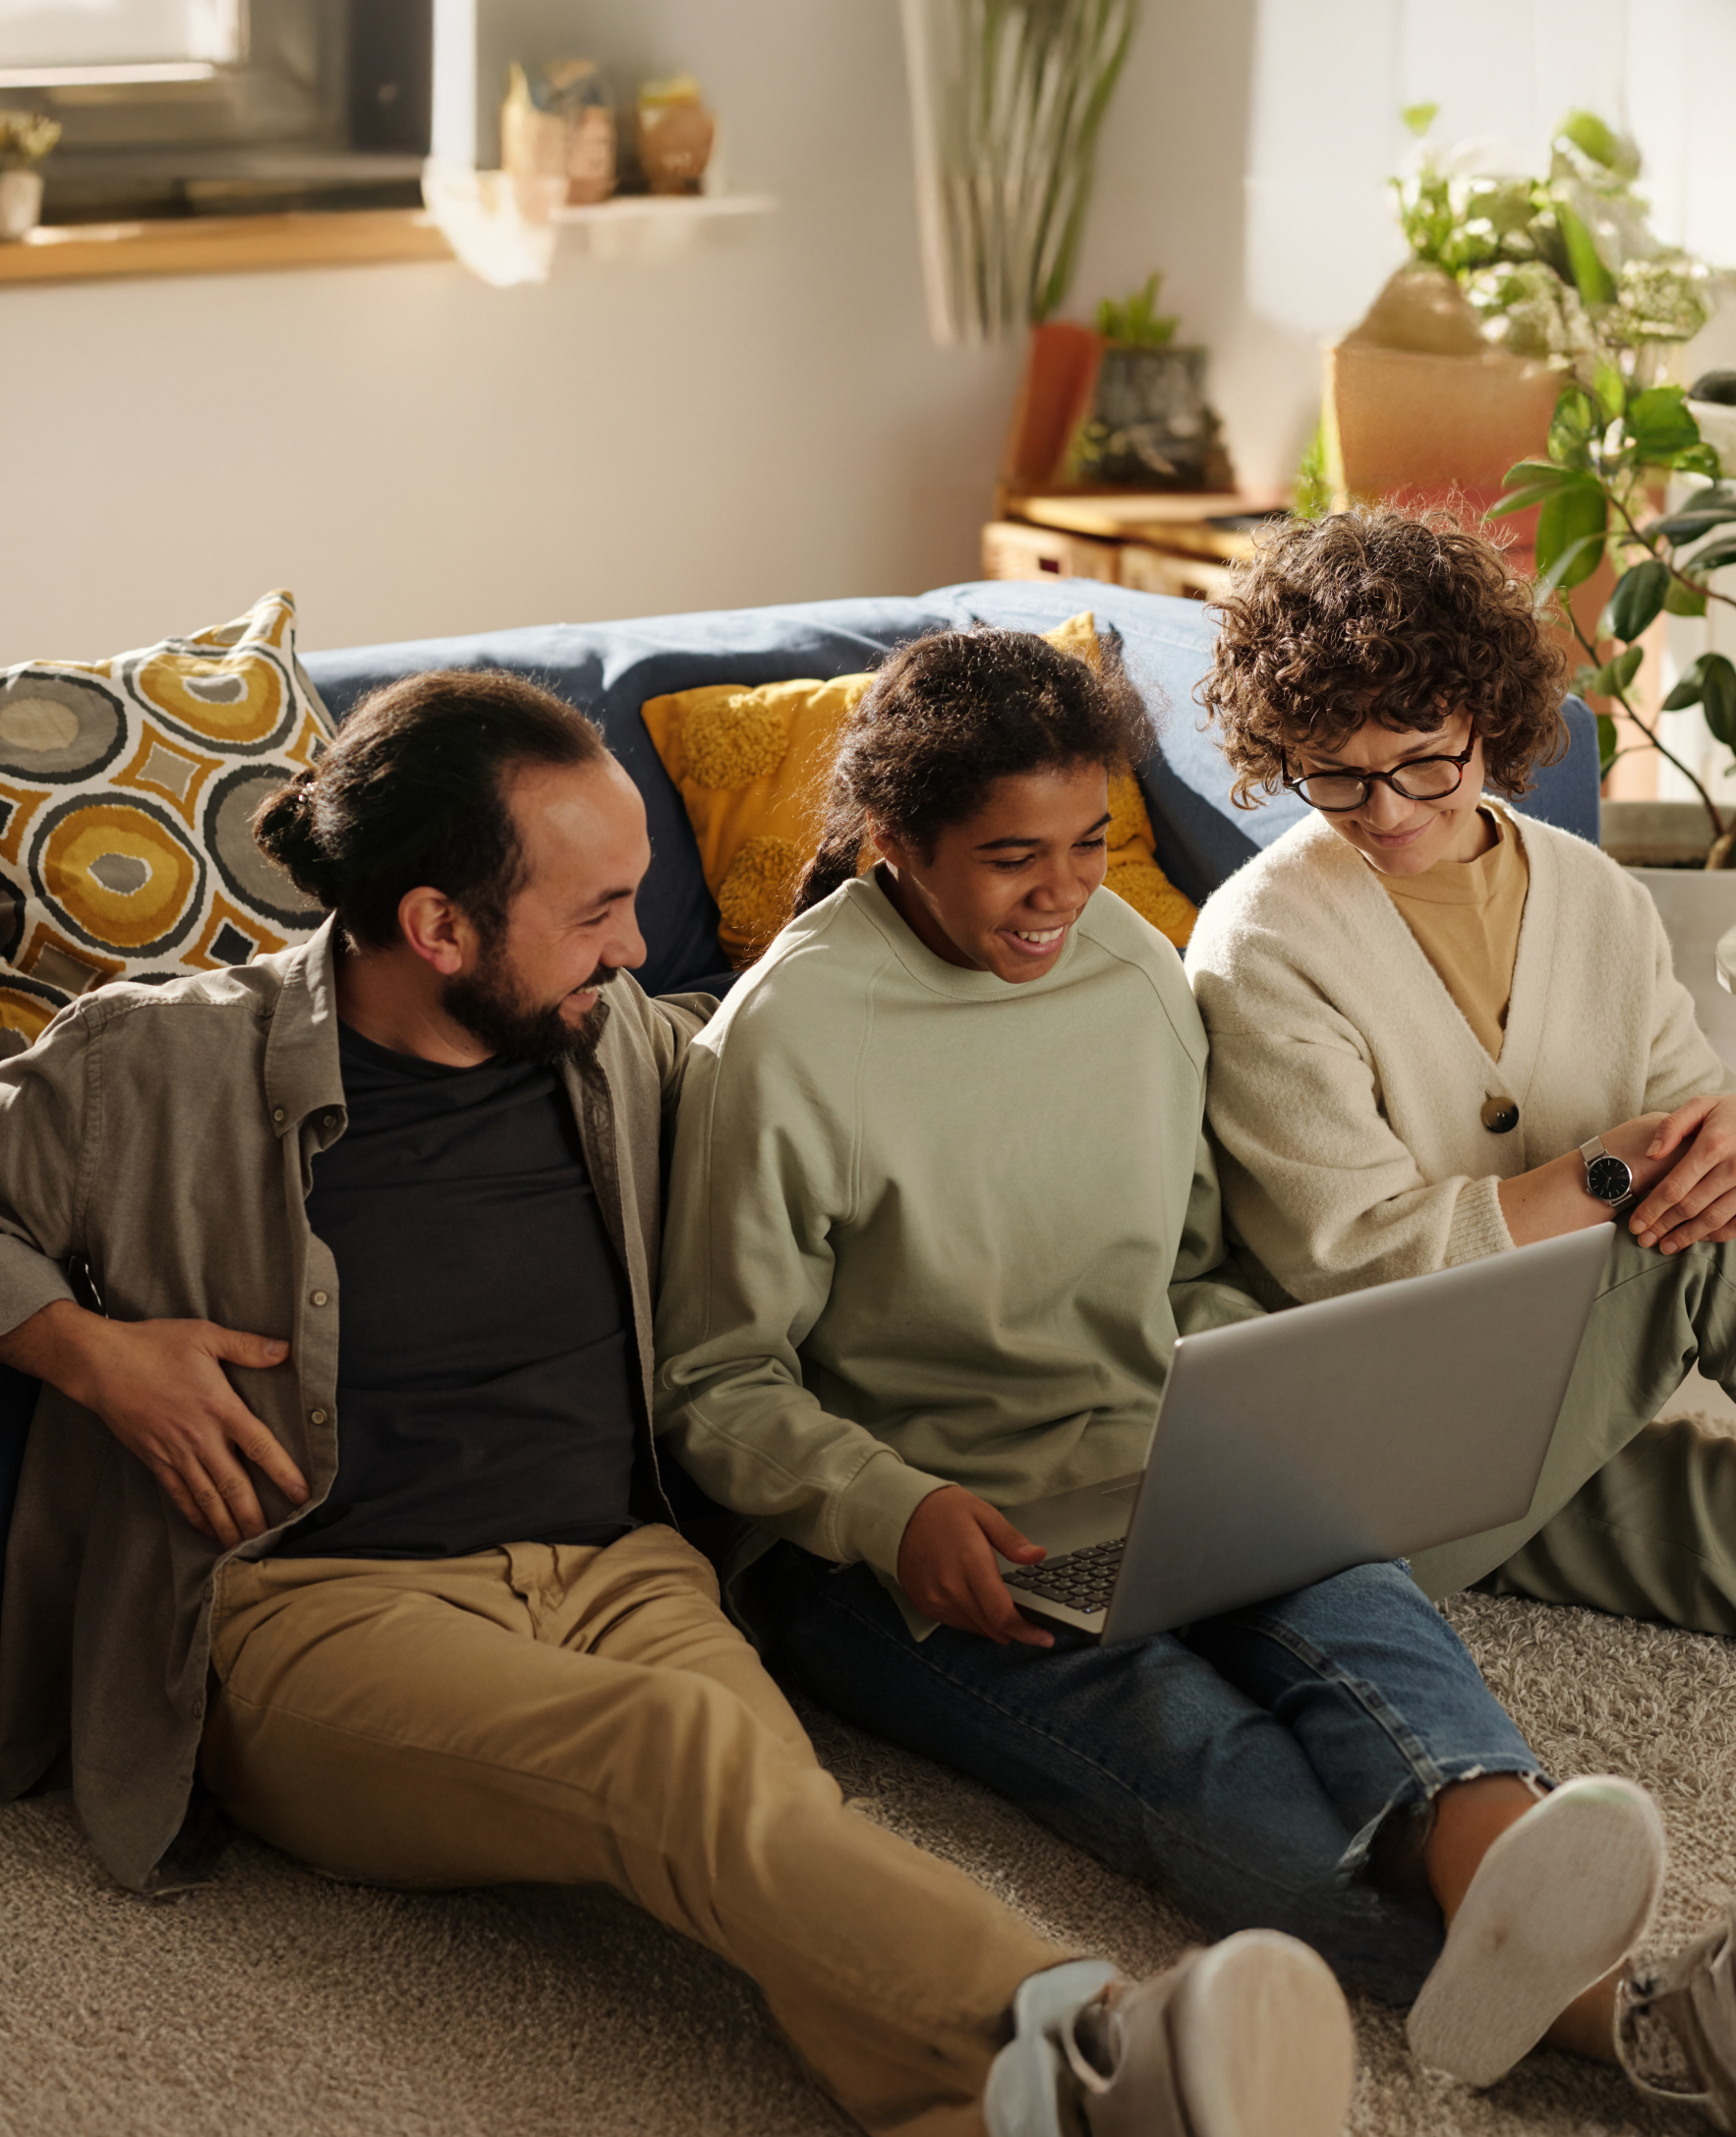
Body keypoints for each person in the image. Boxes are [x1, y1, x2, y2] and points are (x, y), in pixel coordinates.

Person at [0, 666, 1352, 2137]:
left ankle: (1016, 2112)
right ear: (438, 926)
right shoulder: (163, 1065)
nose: (636, 947)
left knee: (771, 1834)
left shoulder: (625, 1051)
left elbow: (844, 1078)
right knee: (681, 1760)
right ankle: (1094, 2024)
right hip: (319, 1606)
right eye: (592, 915)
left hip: (624, 1575)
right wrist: (81, 1347)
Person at [653, 624, 1733, 2120]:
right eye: (1009, 858)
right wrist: (890, 1508)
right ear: (893, 845)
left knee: (1373, 1628)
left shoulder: (1131, 970)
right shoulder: (784, 1043)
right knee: (1194, 1756)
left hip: (1157, 1449)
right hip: (912, 1545)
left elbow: (1193, 1268)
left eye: (1090, 842)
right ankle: (1628, 2020)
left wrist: (1269, 1405)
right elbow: (717, 1377)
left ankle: (1505, 1839)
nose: (1062, 893)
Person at [1186, 504, 1736, 1645]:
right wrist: (1602, 1178)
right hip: (1373, 1436)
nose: (1383, 812)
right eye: (1332, 778)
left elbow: (1692, 1123)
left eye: (1421, 764)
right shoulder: (1261, 943)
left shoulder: (1595, 896)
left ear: (1488, 721)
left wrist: (1709, 1138)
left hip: (1552, 1407)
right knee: (1703, 1242)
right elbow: (1356, 1260)